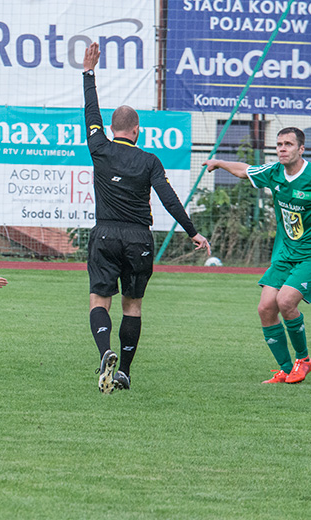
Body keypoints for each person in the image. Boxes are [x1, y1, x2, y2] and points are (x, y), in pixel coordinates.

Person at [82, 42, 210, 393]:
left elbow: (91, 113)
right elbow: (169, 199)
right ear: (137, 130)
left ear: (112, 128)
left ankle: (105, 351)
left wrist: (89, 73)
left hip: (105, 234)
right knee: (132, 305)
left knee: (99, 300)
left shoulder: (99, 147)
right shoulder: (150, 161)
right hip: (139, 238)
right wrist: (193, 232)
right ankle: (123, 371)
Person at [204, 127, 311, 384]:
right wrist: (219, 163)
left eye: (288, 144)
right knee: (265, 308)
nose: (282, 149)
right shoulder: (274, 172)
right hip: (285, 253)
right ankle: (286, 369)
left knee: (285, 302)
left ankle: (303, 360)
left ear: (301, 149)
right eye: (279, 144)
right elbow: (244, 170)